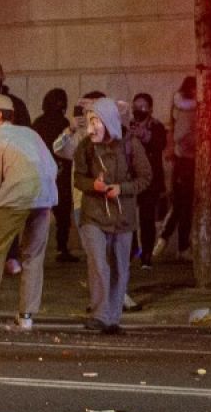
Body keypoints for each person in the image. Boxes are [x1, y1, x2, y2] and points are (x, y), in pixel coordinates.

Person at [0, 95, 58, 330]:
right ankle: (26, 316)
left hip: (14, 197)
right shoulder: (30, 133)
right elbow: (52, 165)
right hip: (45, 195)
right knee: (34, 256)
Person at [73, 98, 151, 334]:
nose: (92, 126)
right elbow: (78, 177)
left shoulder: (131, 145)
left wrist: (122, 189)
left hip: (122, 216)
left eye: (96, 120)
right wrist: (92, 185)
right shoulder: (85, 146)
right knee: (98, 263)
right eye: (90, 121)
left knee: (119, 267)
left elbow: (145, 177)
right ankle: (99, 314)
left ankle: (112, 318)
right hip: (93, 214)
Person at [154, 76, 197, 262]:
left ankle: (170, 241)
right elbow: (183, 135)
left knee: (182, 204)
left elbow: (174, 131)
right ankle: (173, 242)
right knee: (182, 204)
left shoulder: (178, 107)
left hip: (181, 159)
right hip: (186, 160)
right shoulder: (191, 109)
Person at [31, 88, 76, 262]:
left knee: (44, 212)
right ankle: (61, 248)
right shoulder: (61, 122)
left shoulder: (39, 122)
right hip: (58, 172)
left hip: (48, 172)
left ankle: (41, 247)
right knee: (61, 214)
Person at [126, 93, 168, 268]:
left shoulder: (156, 126)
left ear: (150, 109)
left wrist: (144, 135)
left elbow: (160, 144)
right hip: (131, 177)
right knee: (129, 216)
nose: (138, 111)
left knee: (147, 217)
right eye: (136, 107)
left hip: (150, 179)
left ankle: (147, 254)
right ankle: (132, 249)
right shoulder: (128, 126)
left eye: (142, 107)